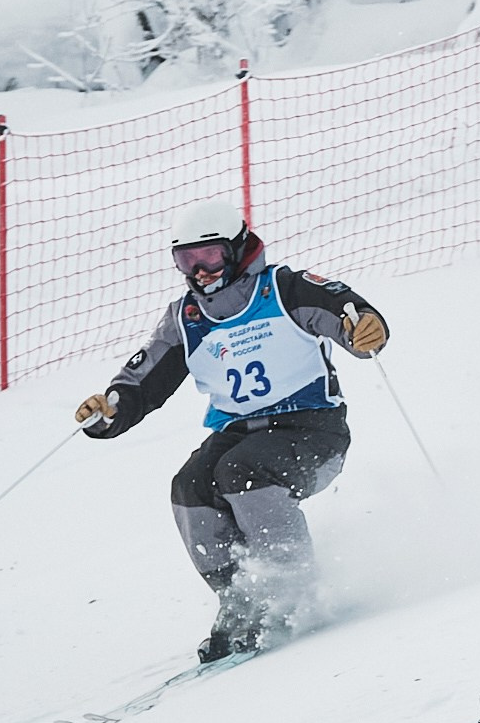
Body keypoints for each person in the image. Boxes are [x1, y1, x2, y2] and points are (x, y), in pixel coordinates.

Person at [74, 199, 390, 662]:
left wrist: (366, 327)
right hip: (240, 431)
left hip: (313, 430)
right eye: (187, 260)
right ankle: (241, 599)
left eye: (210, 257)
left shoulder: (284, 288)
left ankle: (291, 592)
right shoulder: (188, 317)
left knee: (242, 470)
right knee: (192, 485)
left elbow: (348, 313)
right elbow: (144, 381)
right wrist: (110, 410)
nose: (200, 271)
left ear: (239, 249)